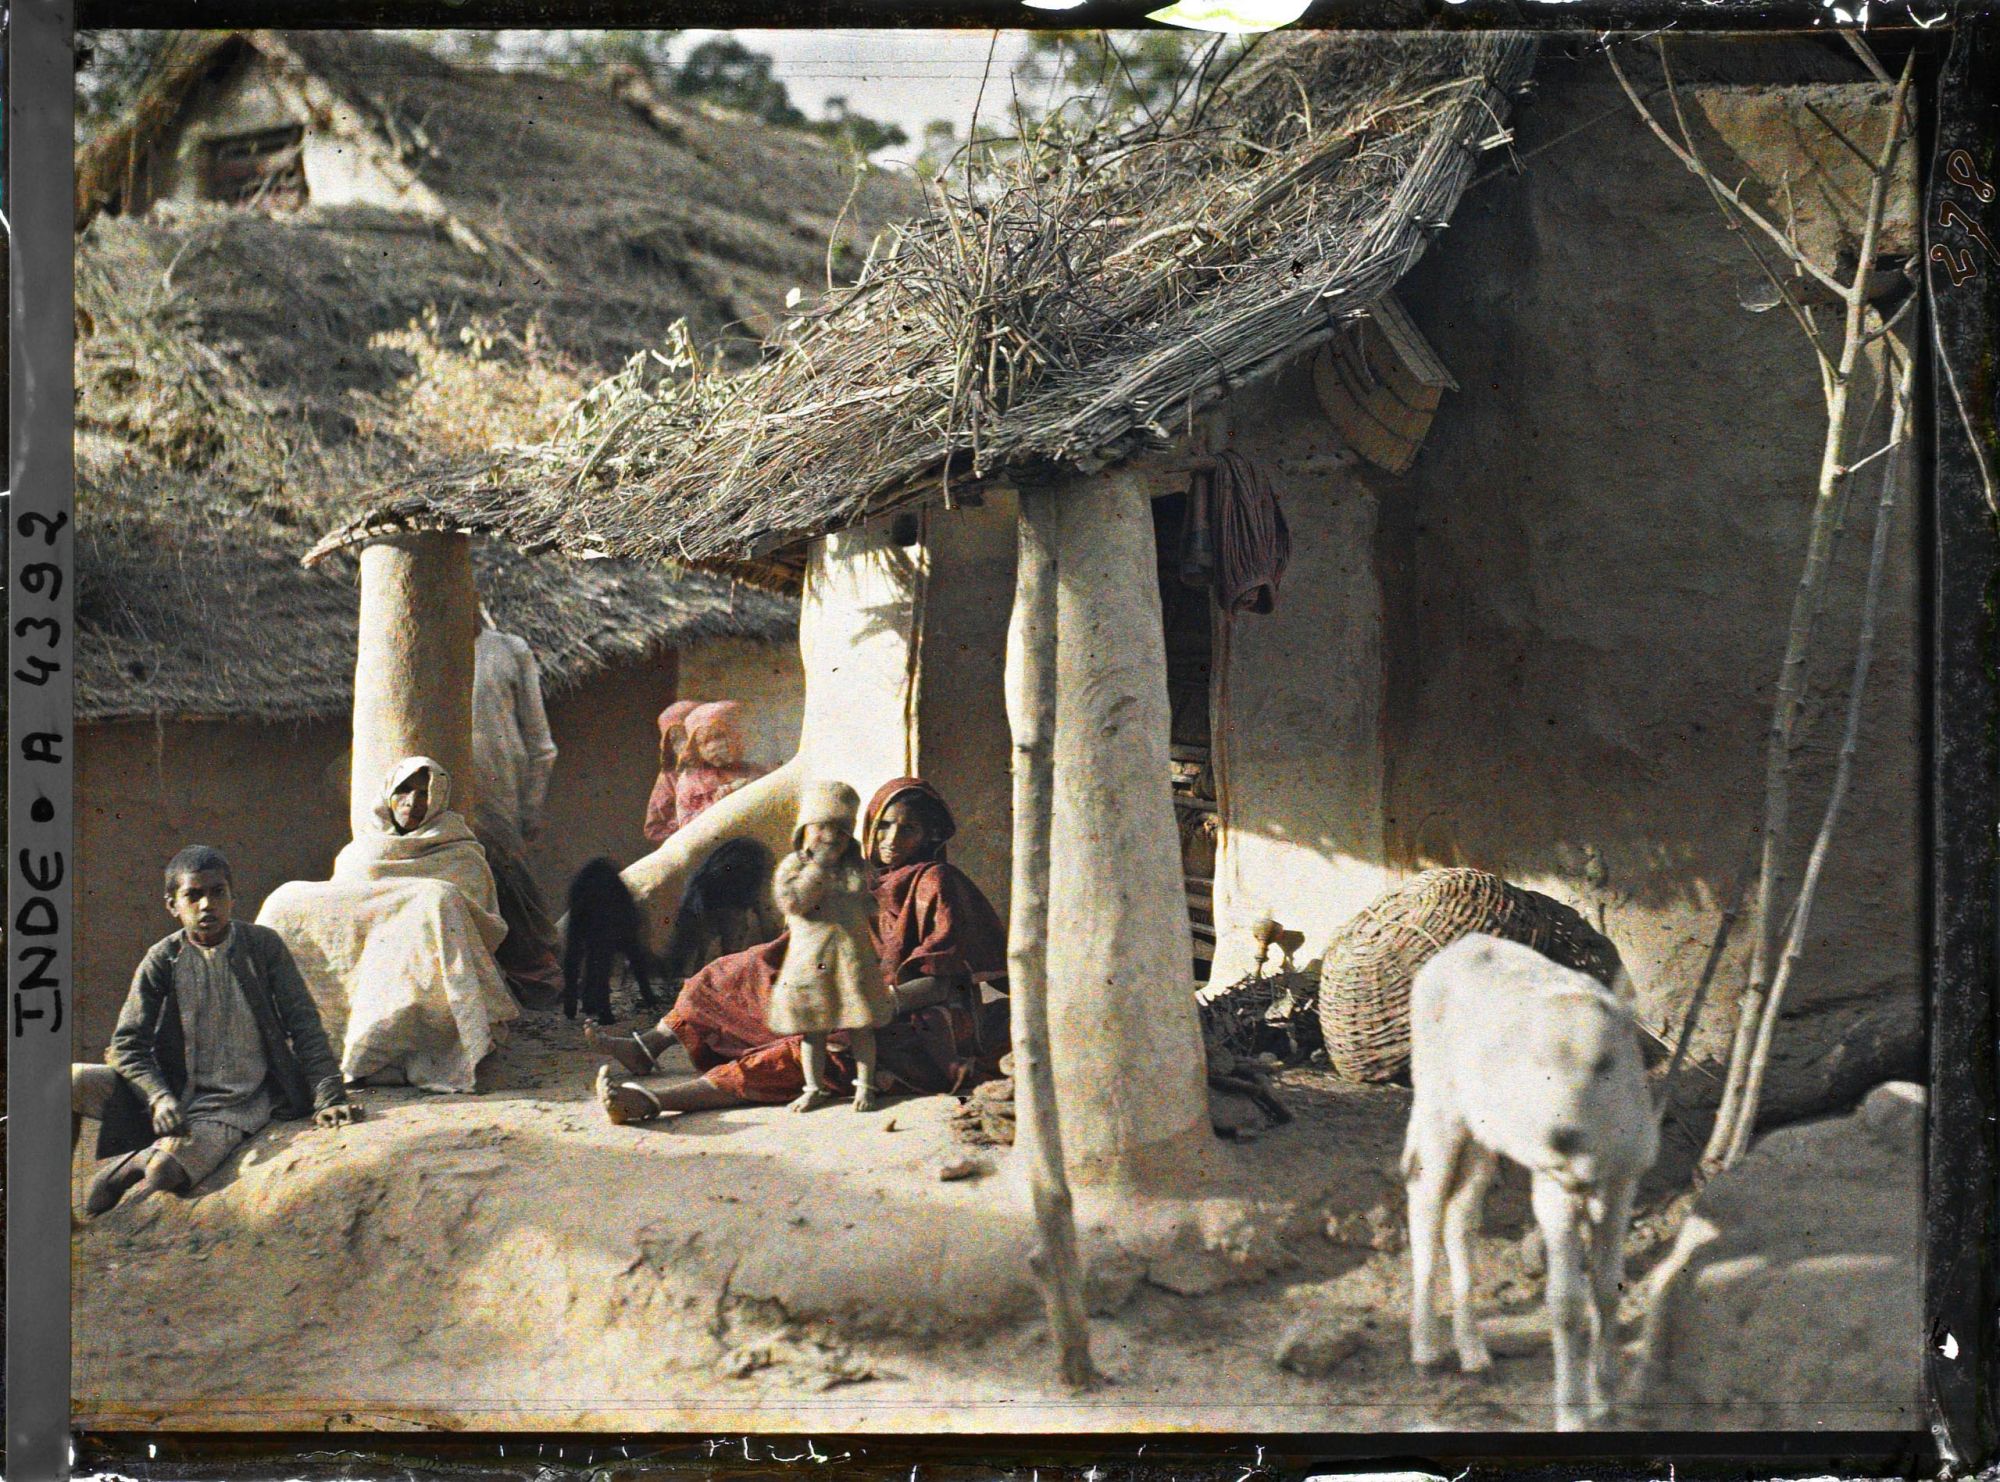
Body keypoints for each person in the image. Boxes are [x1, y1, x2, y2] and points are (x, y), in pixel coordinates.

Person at [588, 777, 1009, 1124]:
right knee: (736, 971)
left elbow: (940, 982)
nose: (892, 839)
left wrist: (874, 1000)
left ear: (930, 835)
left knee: (820, 1043)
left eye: (908, 829)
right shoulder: (863, 875)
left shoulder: (937, 881)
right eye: (884, 825)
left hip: (913, 1012)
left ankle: (660, 1101)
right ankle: (648, 1045)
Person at [71, 845, 360, 1218]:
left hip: (233, 1103)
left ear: (232, 896)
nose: (207, 905)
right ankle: (49, 1211)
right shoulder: (163, 958)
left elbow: (304, 1025)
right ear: (172, 905)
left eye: (217, 892)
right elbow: (127, 1045)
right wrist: (158, 1095)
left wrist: (329, 1097)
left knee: (161, 1171)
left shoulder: (262, 947)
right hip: (169, 1093)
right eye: (193, 895)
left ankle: (127, 1164)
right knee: (67, 1081)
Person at [257, 756, 519, 1093]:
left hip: (418, 959)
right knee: (285, 899)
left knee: (437, 897)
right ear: (388, 795)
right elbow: (350, 909)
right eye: (404, 791)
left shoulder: (461, 853)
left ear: (438, 799)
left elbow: (477, 922)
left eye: (425, 794)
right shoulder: (361, 852)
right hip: (369, 956)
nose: (413, 802)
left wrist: (420, 904)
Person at [767, 782, 893, 1113]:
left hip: (852, 958)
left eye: (840, 829)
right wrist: (818, 868)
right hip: (810, 962)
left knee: (860, 1025)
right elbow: (794, 903)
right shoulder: (793, 867)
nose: (831, 836)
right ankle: (814, 1087)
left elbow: (870, 904)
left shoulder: (855, 867)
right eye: (823, 826)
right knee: (814, 1028)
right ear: (805, 829)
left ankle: (865, 1085)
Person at [470, 611, 564, 1001]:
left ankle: (534, 980)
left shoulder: (507, 649)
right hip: (437, 790)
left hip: (499, 793)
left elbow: (541, 744)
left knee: (509, 881)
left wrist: (530, 808)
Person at [642, 699, 701, 845]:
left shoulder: (728, 770)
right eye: (676, 740)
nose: (685, 746)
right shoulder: (670, 778)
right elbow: (654, 829)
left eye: (688, 737)